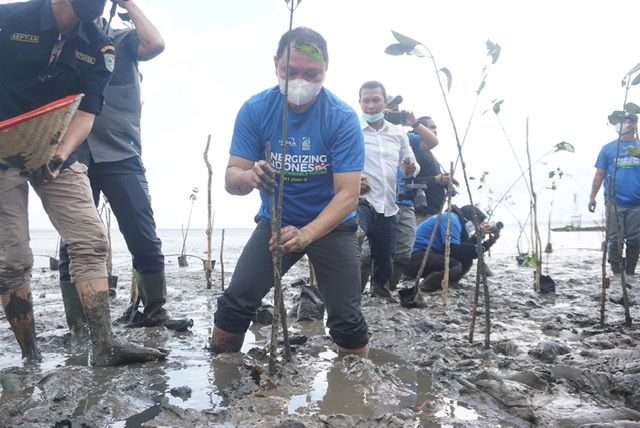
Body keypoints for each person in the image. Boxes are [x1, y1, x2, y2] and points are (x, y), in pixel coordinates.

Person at [0, 0, 167, 366]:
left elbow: (88, 111)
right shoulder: (9, 18)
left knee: (91, 240)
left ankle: (104, 344)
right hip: (2, 145)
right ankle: (30, 355)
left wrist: (60, 154)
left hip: (56, 143)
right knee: (13, 259)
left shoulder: (100, 45)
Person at [210, 27, 369, 356]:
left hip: (332, 226)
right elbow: (231, 179)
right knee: (236, 301)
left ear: (327, 67)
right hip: (275, 222)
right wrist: (250, 176)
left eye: (312, 73)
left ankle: (354, 392)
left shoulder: (341, 118)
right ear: (275, 65)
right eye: (290, 71)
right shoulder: (256, 109)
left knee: (347, 321)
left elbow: (347, 196)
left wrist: (308, 234)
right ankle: (221, 373)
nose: (300, 81)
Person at [56, 0, 191, 333]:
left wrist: (127, 2)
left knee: (143, 236)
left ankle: (155, 311)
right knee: (73, 242)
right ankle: (79, 323)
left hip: (121, 154)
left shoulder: (123, 40)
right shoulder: (63, 43)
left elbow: (155, 44)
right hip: (75, 155)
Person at [357, 81, 419, 297]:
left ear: (384, 103)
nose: (371, 105)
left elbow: (411, 165)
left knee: (386, 256)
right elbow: (335, 162)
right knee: (358, 242)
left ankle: (380, 294)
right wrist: (353, 180)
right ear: (360, 103)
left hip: (389, 205)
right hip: (361, 201)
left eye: (376, 100)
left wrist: (410, 168)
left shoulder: (398, 134)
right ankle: (351, 297)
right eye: (366, 100)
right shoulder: (352, 131)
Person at [588, 114, 640, 276]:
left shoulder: (638, 147)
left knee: (634, 240)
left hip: (637, 203)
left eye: (623, 121)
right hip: (613, 201)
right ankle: (617, 275)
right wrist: (592, 196)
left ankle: (630, 274)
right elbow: (599, 175)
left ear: (632, 124)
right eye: (617, 121)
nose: (619, 125)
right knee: (614, 240)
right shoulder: (608, 149)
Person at [404, 205, 500, 291]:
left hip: (427, 257)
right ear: (468, 218)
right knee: (454, 265)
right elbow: (454, 252)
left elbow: (470, 253)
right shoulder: (451, 219)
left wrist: (489, 242)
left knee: (467, 261)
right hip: (414, 258)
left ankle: (447, 287)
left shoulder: (460, 226)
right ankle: (425, 287)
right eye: (476, 222)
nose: (476, 225)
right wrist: (477, 235)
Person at [411, 116, 459, 225]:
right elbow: (409, 182)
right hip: (421, 213)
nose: (435, 131)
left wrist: (444, 179)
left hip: (433, 211)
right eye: (431, 127)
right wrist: (436, 179)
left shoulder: (428, 152)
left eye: (435, 128)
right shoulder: (415, 152)